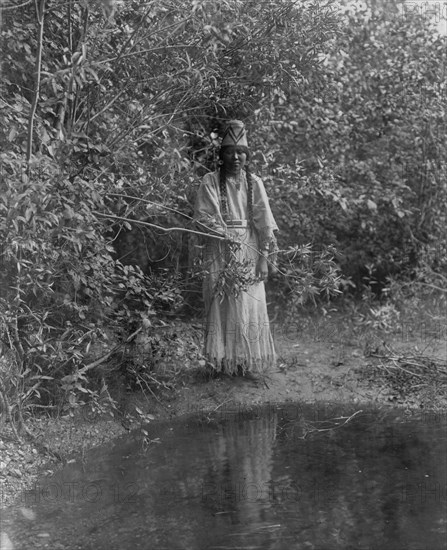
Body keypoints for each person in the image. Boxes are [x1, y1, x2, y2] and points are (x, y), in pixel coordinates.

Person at [194, 120, 278, 377]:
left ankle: (247, 362)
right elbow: (203, 217)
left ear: (247, 155)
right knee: (221, 303)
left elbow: (264, 224)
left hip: (249, 248)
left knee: (249, 303)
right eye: (230, 151)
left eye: (241, 152)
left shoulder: (255, 183)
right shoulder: (209, 181)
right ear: (222, 155)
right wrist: (223, 234)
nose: (236, 157)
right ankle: (221, 363)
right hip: (219, 248)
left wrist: (263, 259)